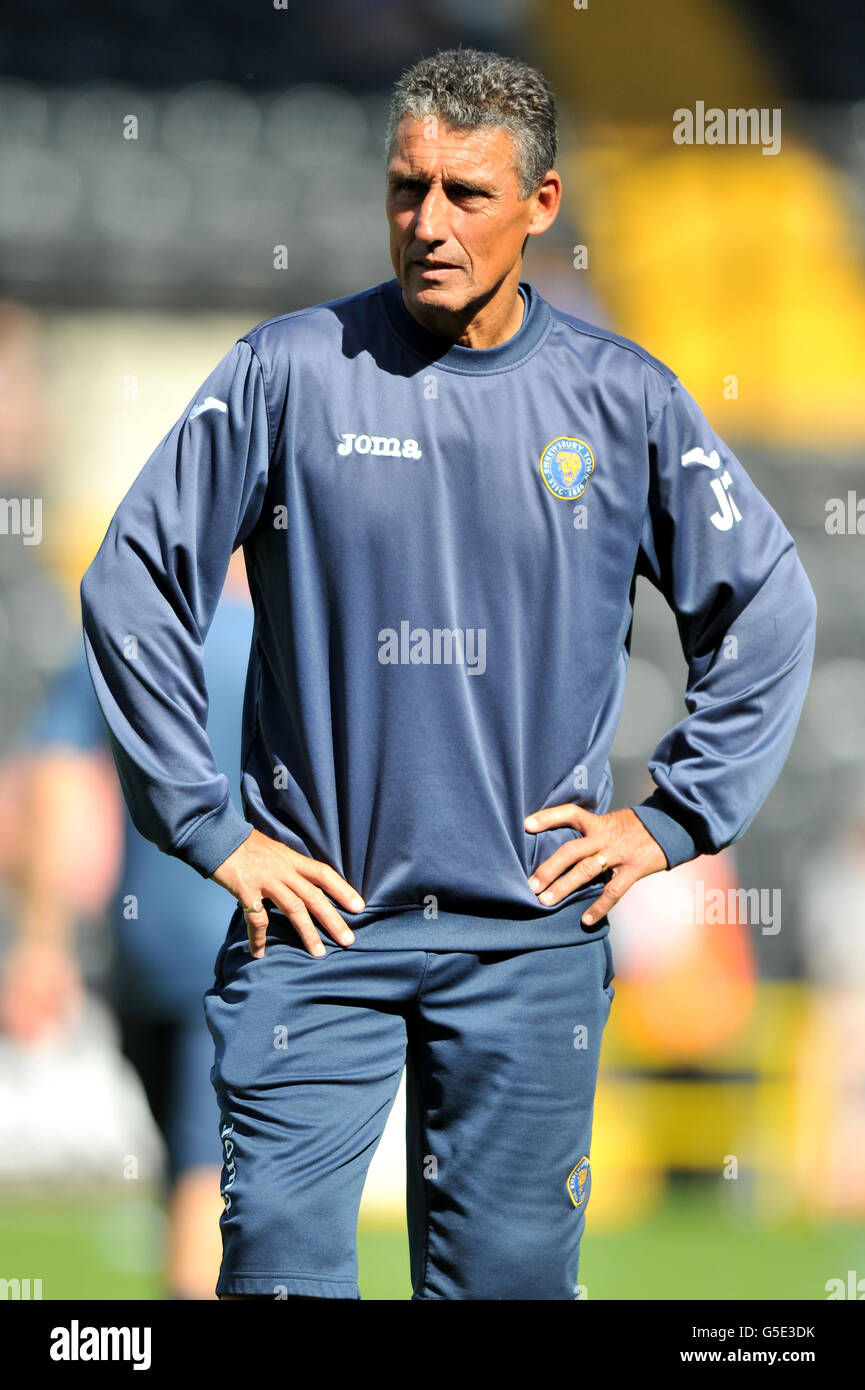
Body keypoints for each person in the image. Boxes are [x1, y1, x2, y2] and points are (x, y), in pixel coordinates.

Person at [79, 49, 817, 1300]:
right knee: (276, 1274)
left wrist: (673, 814)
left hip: (529, 935)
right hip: (311, 927)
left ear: (541, 205)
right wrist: (207, 827)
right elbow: (132, 578)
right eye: (405, 187)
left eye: (466, 194)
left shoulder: (621, 400)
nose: (428, 222)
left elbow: (768, 606)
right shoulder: (288, 373)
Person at [2, 551, 253, 1299]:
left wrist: (43, 942)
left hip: (143, 950)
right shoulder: (306, 630)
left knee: (190, 1175)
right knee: (209, 1204)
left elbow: (52, 772)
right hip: (250, 948)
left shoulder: (131, 629)